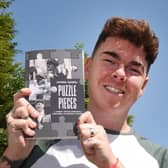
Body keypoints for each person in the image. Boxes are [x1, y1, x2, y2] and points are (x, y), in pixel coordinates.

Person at [0, 16, 168, 168]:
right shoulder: (36, 142)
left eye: (134, 69)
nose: (120, 74)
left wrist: (111, 165)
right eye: (110, 60)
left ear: (143, 87)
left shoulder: (159, 158)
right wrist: (13, 156)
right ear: (87, 68)